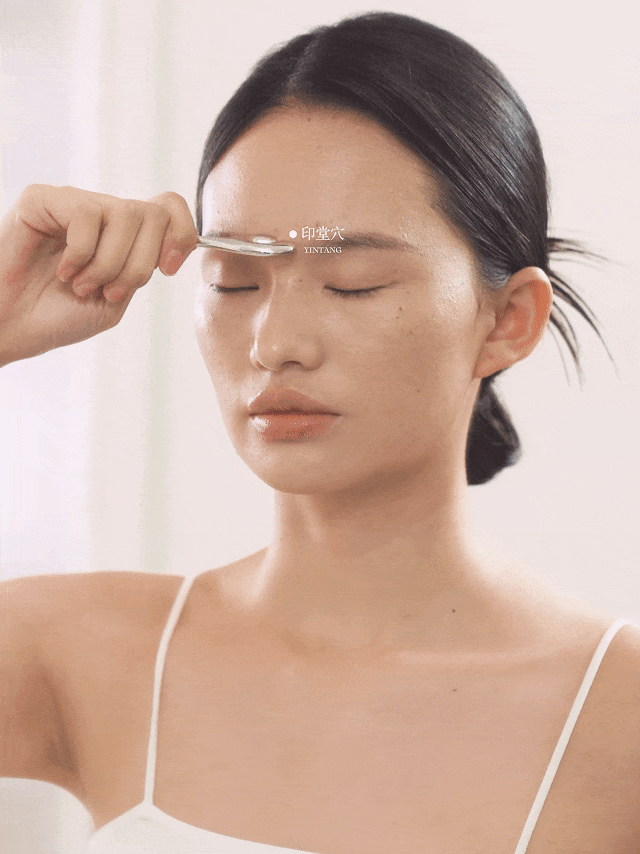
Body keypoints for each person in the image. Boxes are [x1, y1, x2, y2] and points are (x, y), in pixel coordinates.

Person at [1, 10, 639, 854]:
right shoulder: (80, 654)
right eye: (236, 282)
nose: (276, 344)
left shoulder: (619, 715)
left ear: (508, 319)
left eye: (353, 284)